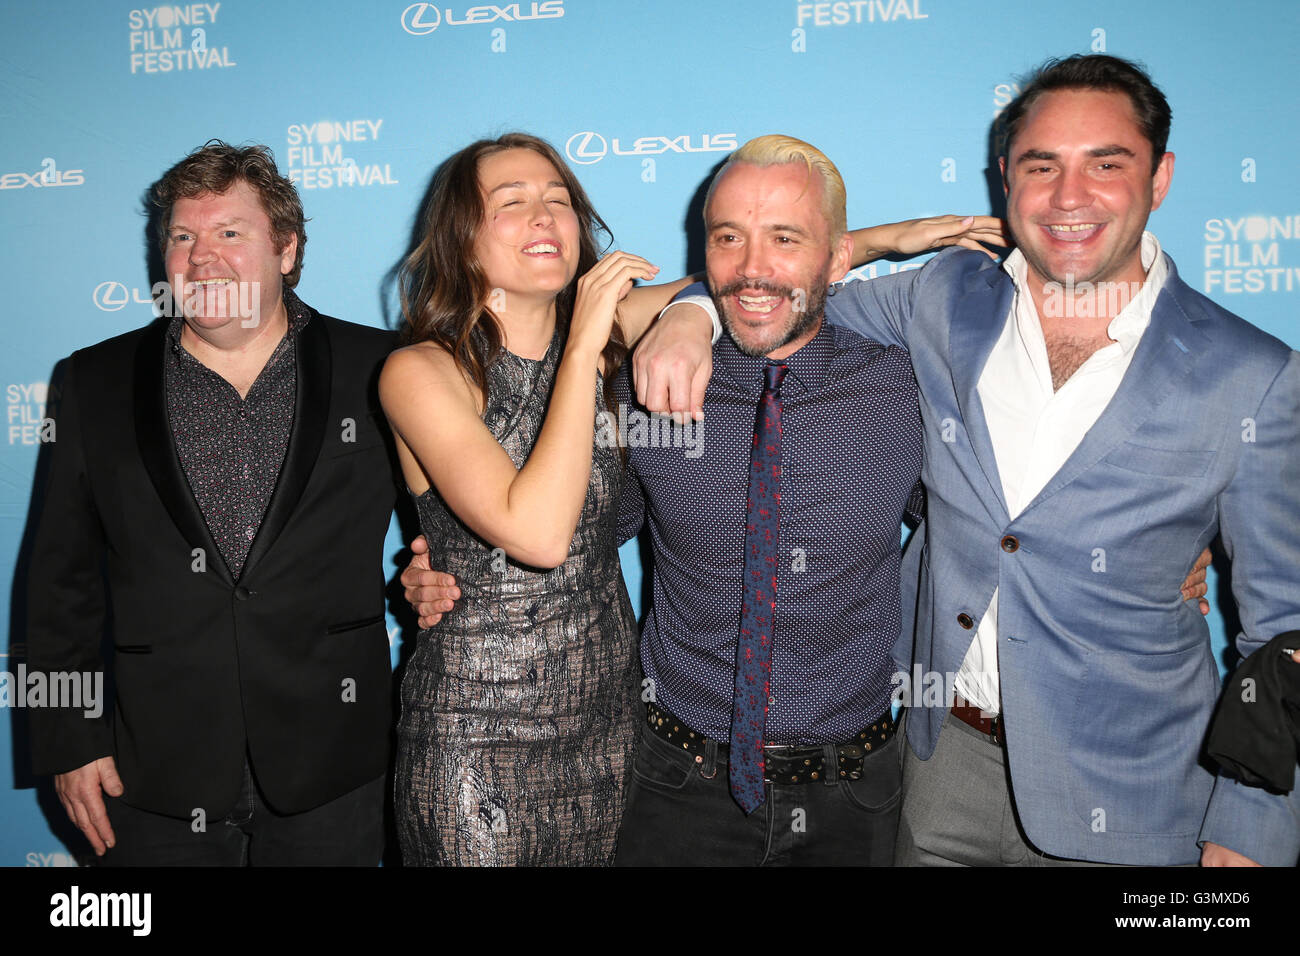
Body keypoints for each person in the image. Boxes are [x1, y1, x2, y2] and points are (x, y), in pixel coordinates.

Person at [639, 55, 1299, 866]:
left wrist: (1254, 823)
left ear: (1159, 177)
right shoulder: (944, 297)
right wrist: (692, 308)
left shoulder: (1252, 373)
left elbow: (1286, 625)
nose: (1067, 196)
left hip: (1136, 792)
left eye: (1106, 164)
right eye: (1040, 165)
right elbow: (781, 291)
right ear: (1005, 178)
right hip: (932, 770)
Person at [26, 142, 398, 865]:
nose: (203, 258)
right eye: (183, 237)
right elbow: (58, 583)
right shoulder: (93, 382)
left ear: (286, 250)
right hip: (150, 770)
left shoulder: (381, 368)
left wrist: (430, 572)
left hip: (336, 762)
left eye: (231, 234)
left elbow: (448, 524)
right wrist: (69, 738)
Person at [379, 132, 700, 866]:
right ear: (462, 240)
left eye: (558, 201)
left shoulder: (605, 330)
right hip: (476, 736)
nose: (544, 216)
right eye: (512, 203)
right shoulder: (423, 370)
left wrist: (887, 238)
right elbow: (539, 536)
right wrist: (586, 346)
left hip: (609, 724)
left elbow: (751, 280)